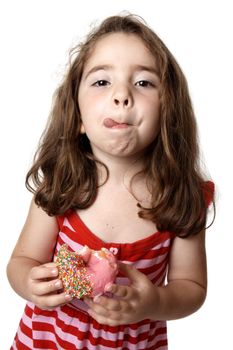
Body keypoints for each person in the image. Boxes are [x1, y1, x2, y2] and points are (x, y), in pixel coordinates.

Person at [7, 14, 215, 350]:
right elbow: (21, 262)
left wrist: (155, 304)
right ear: (77, 118)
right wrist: (30, 284)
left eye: (144, 82)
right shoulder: (63, 185)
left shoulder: (181, 198)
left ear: (168, 112)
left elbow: (191, 287)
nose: (122, 95)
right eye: (102, 82)